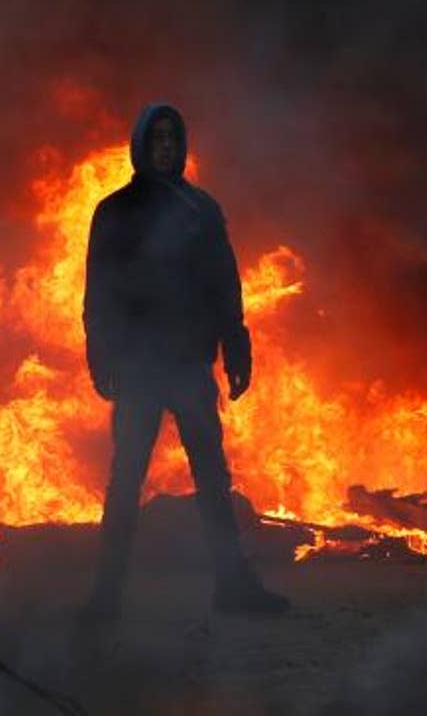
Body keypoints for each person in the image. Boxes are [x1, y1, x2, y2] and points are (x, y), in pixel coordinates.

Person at [80, 104, 289, 620]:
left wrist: (236, 344)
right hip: (139, 367)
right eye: (158, 138)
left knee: (213, 480)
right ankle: (106, 598)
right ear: (141, 146)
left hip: (189, 364)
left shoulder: (201, 209)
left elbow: (224, 283)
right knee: (126, 481)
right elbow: (99, 290)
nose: (167, 146)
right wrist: (100, 351)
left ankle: (233, 588)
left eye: (174, 138)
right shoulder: (116, 211)